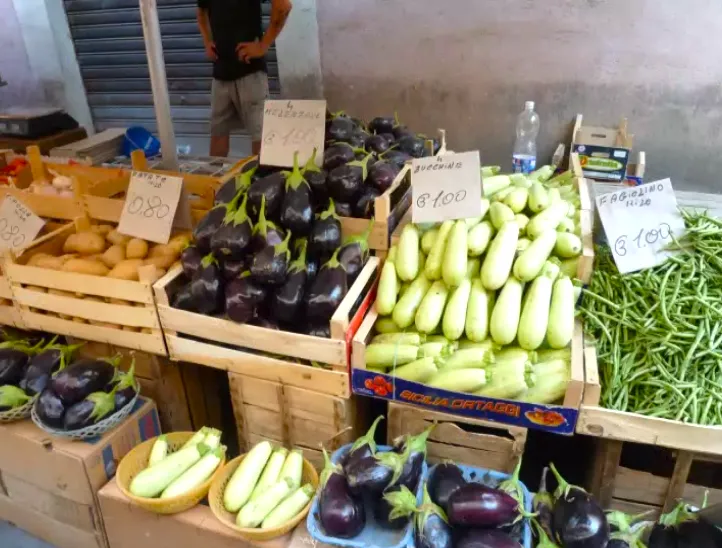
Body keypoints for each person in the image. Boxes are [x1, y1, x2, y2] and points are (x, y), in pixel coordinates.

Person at [197, 0, 292, 157]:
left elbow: (283, 6)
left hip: (250, 73)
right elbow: (201, 13)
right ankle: (215, 181)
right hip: (221, 73)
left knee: (261, 139)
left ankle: (260, 179)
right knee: (218, 137)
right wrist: (207, 41)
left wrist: (263, 45)